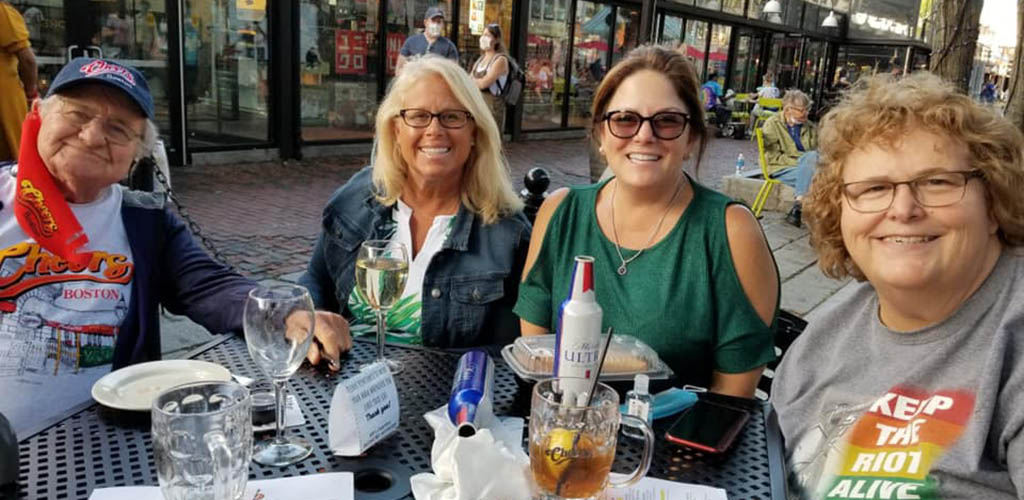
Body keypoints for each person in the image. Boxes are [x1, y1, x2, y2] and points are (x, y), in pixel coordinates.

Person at [0, 58, 348, 436]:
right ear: (38, 113)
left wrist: (286, 314)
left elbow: (209, 287)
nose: (91, 136)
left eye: (118, 129)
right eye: (77, 114)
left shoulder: (144, 221)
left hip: (109, 441)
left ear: (137, 154)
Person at [771, 72, 1024, 499]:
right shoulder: (820, 344)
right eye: (874, 189)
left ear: (994, 203)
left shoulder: (1011, 339)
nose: (903, 209)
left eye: (937, 182)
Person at [515, 45, 779, 397]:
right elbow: (540, 372)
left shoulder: (731, 231)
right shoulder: (559, 213)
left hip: (676, 445)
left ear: (692, 138)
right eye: (625, 119)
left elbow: (729, 402)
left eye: (667, 121)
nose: (643, 135)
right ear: (601, 136)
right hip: (564, 438)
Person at [300, 55, 530, 348]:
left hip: (444, 389)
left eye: (452, 116)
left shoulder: (508, 233)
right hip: (347, 381)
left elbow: (508, 352)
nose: (434, 130)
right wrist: (312, 317)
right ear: (396, 130)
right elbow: (316, 278)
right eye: (418, 116)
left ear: (474, 131)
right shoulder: (358, 195)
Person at [760, 89, 818, 227]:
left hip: (806, 169)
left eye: (807, 109)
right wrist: (801, 161)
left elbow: (817, 150)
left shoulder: (809, 127)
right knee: (815, 170)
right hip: (779, 168)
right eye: (801, 110)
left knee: (818, 172)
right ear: (787, 110)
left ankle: (798, 205)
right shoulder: (772, 124)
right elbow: (773, 158)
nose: (806, 113)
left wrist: (805, 163)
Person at [0, 1, 37, 161]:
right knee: (17, 155)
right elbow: (28, 60)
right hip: (5, 100)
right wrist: (31, 93)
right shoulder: (3, 12)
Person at [471, 23, 509, 134]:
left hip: (493, 109)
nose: (483, 38)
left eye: (487, 35)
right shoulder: (480, 59)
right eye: (483, 35)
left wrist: (475, 81)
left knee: (492, 141)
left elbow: (484, 83)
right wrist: (475, 82)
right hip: (479, 107)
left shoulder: (500, 60)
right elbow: (468, 80)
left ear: (496, 40)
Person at [395, 6, 458, 73]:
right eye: (433, 21)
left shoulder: (449, 47)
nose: (436, 25)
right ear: (425, 22)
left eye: (439, 22)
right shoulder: (411, 42)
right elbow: (399, 70)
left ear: (442, 24)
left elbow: (453, 74)